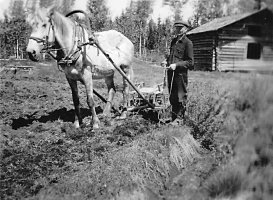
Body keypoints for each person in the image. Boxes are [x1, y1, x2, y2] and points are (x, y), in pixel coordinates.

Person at [163, 20, 194, 124]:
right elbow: (172, 57)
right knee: (172, 96)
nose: (177, 29)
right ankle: (174, 117)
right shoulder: (173, 41)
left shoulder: (188, 43)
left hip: (180, 75)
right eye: (176, 27)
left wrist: (176, 65)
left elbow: (190, 63)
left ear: (185, 29)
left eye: (180, 28)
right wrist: (166, 62)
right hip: (171, 74)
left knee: (180, 96)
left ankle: (179, 119)